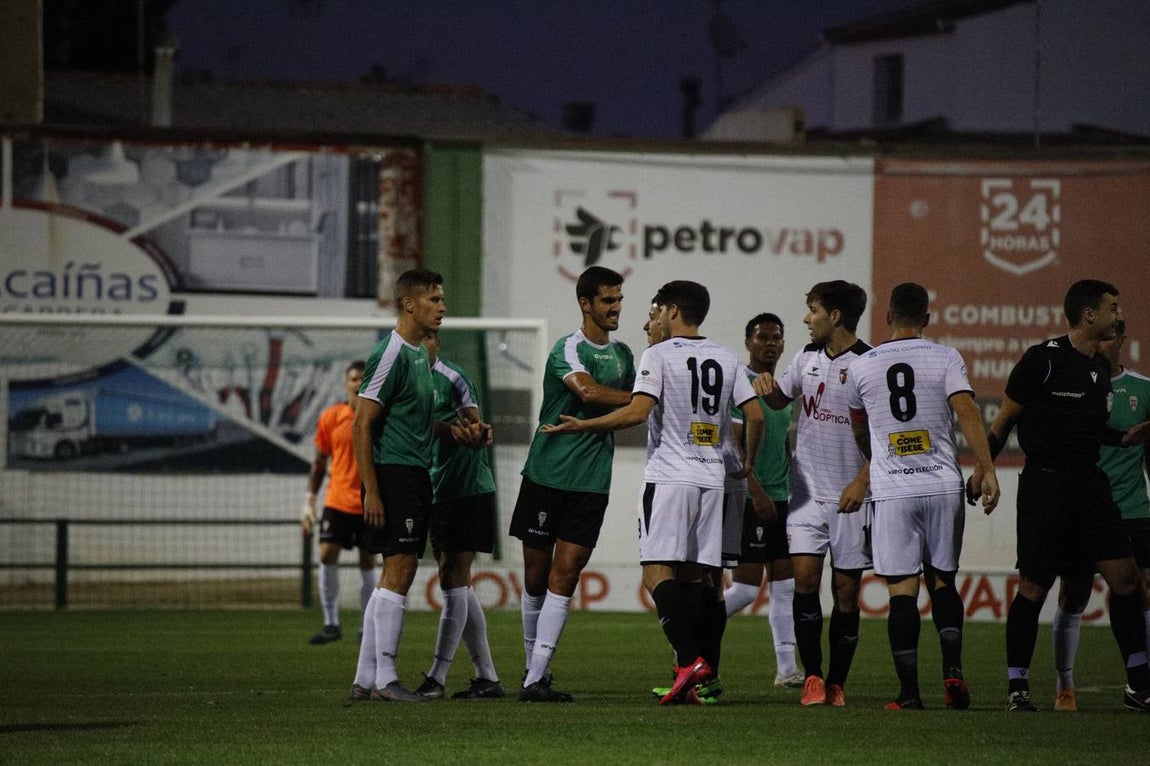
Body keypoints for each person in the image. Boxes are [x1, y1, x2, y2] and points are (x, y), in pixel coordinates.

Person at [544, 280, 764, 705]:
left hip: (670, 477)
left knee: (655, 574)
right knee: (700, 579)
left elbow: (638, 411)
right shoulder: (726, 356)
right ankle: (705, 678)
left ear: (673, 312)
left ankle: (690, 662)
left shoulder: (659, 354)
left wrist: (584, 425)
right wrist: (747, 462)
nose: (655, 317)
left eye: (659, 310)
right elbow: (755, 416)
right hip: (713, 479)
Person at [978, 279, 1150, 712]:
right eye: (1113, 307)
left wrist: (1123, 438)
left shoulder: (1099, 368)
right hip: (1046, 487)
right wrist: (984, 469)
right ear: (1089, 315)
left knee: (1128, 580)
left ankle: (1139, 685)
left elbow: (1089, 430)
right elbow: (1003, 422)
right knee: (1034, 587)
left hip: (1090, 486)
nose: (1119, 315)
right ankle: (1018, 688)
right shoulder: (1042, 360)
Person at [846, 282, 1000, 710]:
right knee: (943, 581)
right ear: (927, 319)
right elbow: (967, 411)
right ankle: (952, 671)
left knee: (902, 590)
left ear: (888, 317)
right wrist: (986, 468)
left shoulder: (863, 365)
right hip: (943, 486)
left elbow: (859, 427)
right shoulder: (946, 357)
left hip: (894, 490)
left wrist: (874, 461)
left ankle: (910, 694)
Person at [509, 265, 635, 702]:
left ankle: (535, 678)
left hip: (592, 481)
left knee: (567, 574)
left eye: (619, 300)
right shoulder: (568, 348)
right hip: (547, 473)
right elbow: (589, 392)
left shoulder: (625, 356)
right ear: (585, 303)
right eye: (608, 300)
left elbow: (633, 413)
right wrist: (645, 397)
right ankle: (533, 667)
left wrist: (643, 401)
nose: (616, 308)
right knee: (536, 577)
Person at [751, 279, 872, 707]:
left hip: (851, 498)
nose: (807, 319)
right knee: (804, 580)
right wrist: (765, 386)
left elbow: (884, 436)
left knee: (845, 593)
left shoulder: (869, 364)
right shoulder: (805, 357)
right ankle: (814, 678)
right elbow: (779, 399)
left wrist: (862, 481)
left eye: (813, 311)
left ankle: (837, 681)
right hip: (805, 495)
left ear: (835, 316)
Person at [347, 267, 445, 703]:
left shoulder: (419, 355)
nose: (442, 307)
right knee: (400, 570)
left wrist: (453, 430)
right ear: (409, 304)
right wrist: (371, 489)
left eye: (441, 299)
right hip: (394, 473)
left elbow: (411, 419)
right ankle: (386, 679)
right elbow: (361, 424)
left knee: (394, 572)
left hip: (414, 472)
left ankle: (365, 678)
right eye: (433, 299)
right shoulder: (390, 353)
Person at [1048, 317, 1150, 712]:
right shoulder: (1076, 383)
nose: (1102, 344)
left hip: (1132, 509)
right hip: (1084, 508)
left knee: (1140, 589)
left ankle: (1139, 684)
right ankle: (1064, 685)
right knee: (1074, 593)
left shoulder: (1142, 389)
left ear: (1122, 339)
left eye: (1108, 338)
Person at [412, 331, 505, 700]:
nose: (422, 345)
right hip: (434, 487)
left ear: (436, 342)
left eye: (428, 338)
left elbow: (473, 428)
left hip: (465, 488)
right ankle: (487, 676)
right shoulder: (404, 380)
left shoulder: (453, 378)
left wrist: (474, 433)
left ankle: (437, 678)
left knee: (453, 578)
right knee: (456, 581)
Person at [722, 312, 804, 689]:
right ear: (748, 343)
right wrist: (755, 491)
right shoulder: (740, 383)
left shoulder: (781, 390)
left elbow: (781, 439)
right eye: (763, 337)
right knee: (745, 590)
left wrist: (791, 485)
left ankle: (787, 669)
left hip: (782, 498)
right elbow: (733, 445)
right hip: (751, 498)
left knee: (784, 586)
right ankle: (691, 636)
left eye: (776, 337)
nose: (770, 343)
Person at [301, 360, 378, 645]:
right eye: (354, 378)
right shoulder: (331, 417)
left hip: (370, 502)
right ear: (347, 383)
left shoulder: (378, 417)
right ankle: (331, 623)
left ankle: (366, 627)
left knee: (368, 562)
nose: (358, 383)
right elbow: (320, 462)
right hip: (337, 501)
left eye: (363, 378)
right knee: (325, 555)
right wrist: (309, 500)